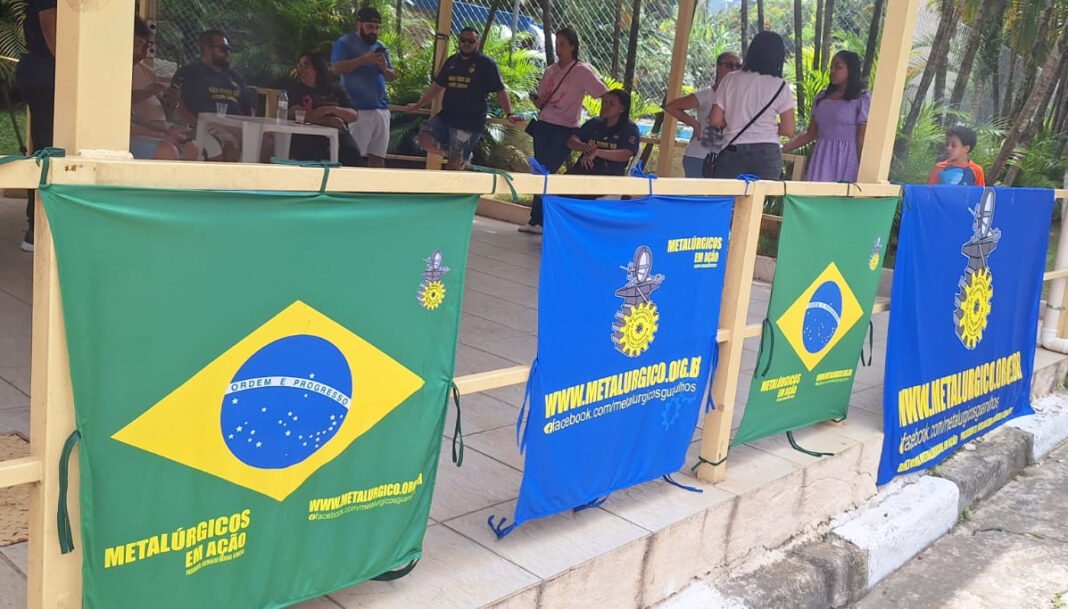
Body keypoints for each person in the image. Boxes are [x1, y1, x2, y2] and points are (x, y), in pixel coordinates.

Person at [519, 27, 609, 234]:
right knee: (539, 170)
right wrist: (536, 100)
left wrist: (602, 120)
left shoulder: (582, 71)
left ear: (572, 47)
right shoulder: (550, 71)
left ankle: (542, 219)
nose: (558, 49)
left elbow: (604, 94)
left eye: (562, 45)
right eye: (557, 44)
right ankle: (536, 220)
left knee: (546, 170)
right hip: (544, 124)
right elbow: (542, 100)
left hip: (565, 128)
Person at [405, 28, 520, 170]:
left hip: (469, 122)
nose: (466, 44)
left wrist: (509, 113)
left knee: (454, 165)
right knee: (424, 138)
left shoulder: (487, 64)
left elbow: (500, 90)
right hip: (446, 116)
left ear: (477, 43)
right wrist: (418, 105)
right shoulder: (451, 61)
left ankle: (457, 165)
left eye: (470, 41)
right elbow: (436, 86)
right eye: (463, 40)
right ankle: (457, 155)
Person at [709, 31, 796, 180]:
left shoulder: (730, 79)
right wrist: (768, 127)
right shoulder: (780, 85)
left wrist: (734, 122)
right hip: (767, 151)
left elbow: (715, 120)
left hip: (733, 149)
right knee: (761, 194)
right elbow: (789, 130)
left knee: (728, 194)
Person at [783, 50, 869, 182]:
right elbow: (810, 134)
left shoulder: (862, 99)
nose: (833, 71)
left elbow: (861, 138)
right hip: (822, 158)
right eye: (831, 67)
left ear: (851, 70)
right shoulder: (822, 98)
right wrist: (783, 149)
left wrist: (864, 170)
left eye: (838, 67)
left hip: (847, 160)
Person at [169, 29, 253, 161]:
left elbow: (249, 109)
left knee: (267, 142)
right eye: (223, 49)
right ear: (207, 49)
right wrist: (197, 124)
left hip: (238, 126)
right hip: (206, 126)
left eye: (229, 49)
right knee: (229, 145)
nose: (228, 53)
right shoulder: (188, 73)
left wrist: (249, 129)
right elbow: (176, 103)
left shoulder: (236, 78)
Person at [331, 7, 395, 168]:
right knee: (354, 157)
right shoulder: (345, 43)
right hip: (358, 110)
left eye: (377, 28)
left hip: (381, 109)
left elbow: (391, 77)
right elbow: (336, 68)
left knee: (378, 157)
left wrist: (384, 68)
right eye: (370, 27)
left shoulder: (380, 46)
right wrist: (364, 60)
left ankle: (376, 184)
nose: (374, 31)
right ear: (358, 24)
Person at [15, 0, 56, 252]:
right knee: (49, 148)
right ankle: (38, 227)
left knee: (47, 146)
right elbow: (51, 28)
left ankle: (39, 226)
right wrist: (73, 71)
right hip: (46, 74)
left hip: (45, 73)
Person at [130, 16, 198, 161]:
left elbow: (136, 118)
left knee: (190, 146)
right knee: (167, 150)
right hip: (129, 135)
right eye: (137, 44)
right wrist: (148, 92)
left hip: (153, 125)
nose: (141, 52)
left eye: (145, 46)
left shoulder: (147, 71)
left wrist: (172, 102)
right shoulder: (114, 74)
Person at [664, 51, 741, 178]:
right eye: (729, 65)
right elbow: (671, 107)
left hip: (726, 158)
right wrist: (695, 124)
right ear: (718, 67)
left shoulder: (741, 97)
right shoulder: (706, 94)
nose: (734, 69)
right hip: (699, 156)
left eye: (738, 66)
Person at [287, 53, 361, 166]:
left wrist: (330, 109)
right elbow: (294, 113)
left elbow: (353, 115)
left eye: (306, 65)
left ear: (317, 68)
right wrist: (326, 121)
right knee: (309, 151)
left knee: (352, 153)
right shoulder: (297, 90)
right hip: (308, 135)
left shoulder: (335, 90)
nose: (302, 69)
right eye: (300, 66)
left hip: (339, 134)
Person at [565, 89, 640, 178]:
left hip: (610, 175)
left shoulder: (629, 129)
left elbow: (626, 154)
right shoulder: (594, 123)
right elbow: (571, 141)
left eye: (611, 104)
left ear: (622, 109)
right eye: (605, 102)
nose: (605, 106)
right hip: (583, 171)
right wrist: (584, 147)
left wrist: (597, 153)